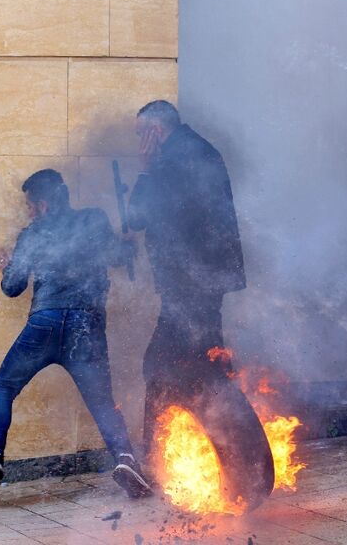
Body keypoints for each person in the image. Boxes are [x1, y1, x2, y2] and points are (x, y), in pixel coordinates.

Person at [0, 170, 152, 496]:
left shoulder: (33, 233)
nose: (29, 212)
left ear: (44, 204)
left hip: (44, 324)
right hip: (85, 326)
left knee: (4, 387)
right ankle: (125, 459)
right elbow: (118, 257)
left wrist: (8, 266)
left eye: (31, 206)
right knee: (103, 402)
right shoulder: (94, 219)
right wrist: (128, 245)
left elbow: (12, 287)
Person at [127, 100, 246, 452]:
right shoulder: (199, 150)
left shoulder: (169, 160)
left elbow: (137, 217)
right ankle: (231, 446)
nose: (139, 144)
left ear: (155, 131)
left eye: (140, 135)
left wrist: (146, 169)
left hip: (189, 283)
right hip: (204, 280)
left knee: (162, 363)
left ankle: (156, 455)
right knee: (207, 358)